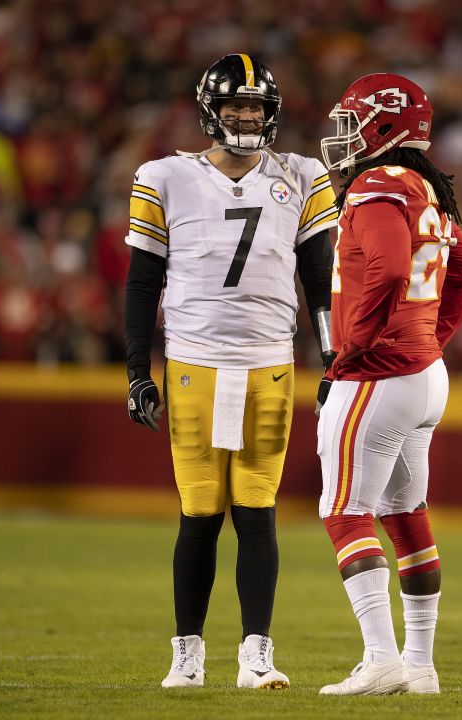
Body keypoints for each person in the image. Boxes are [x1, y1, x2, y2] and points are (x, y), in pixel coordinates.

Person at [122, 53, 338, 690]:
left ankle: (256, 654)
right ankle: (186, 653)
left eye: (256, 106)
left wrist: (333, 358)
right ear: (210, 111)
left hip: (270, 364)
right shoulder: (164, 176)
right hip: (194, 363)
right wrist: (139, 370)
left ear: (270, 113)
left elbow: (320, 284)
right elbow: (141, 284)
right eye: (235, 105)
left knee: (257, 511)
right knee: (198, 513)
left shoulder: (301, 175)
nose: (246, 115)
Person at [314, 73, 462, 695]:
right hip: (422, 375)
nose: (341, 137)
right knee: (405, 511)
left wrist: (352, 347)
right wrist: (432, 340)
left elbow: (386, 270)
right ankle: (420, 666)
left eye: (350, 121)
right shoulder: (424, 190)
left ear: (381, 126)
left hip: (379, 374)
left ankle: (380, 657)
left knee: (344, 510)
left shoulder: (378, 185)